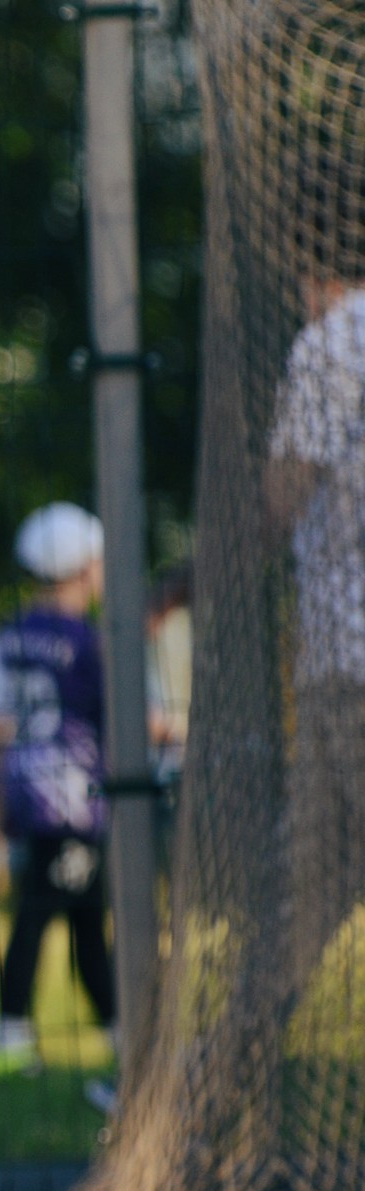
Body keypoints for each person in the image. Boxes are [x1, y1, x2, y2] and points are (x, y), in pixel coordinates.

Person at [0, 504, 118, 1114]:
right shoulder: (89, 642)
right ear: (86, 566)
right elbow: (120, 720)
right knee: (41, 915)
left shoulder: (6, 637)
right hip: (75, 802)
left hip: (27, 794)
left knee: (85, 915)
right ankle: (9, 1030)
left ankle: (118, 1026)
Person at [266, 255, 365, 990]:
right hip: (342, 657)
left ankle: (206, 1080)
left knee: (305, 888)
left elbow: (286, 492)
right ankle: (205, 1079)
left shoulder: (333, 340)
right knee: (306, 889)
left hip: (350, 655)